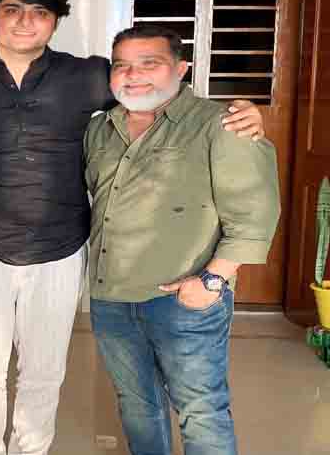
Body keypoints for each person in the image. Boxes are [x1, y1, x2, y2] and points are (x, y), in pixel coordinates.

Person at [0, 0, 265, 455]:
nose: (25, 21)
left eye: (40, 12)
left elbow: (159, 92)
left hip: (60, 251)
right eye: (12, 9)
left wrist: (243, 109)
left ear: (55, 22)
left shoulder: (88, 76)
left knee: (44, 374)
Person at [84, 24, 280, 455]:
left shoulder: (220, 123)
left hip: (184, 298)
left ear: (181, 68)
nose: (133, 75)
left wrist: (212, 280)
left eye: (149, 63)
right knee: (137, 405)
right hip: (111, 297)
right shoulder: (99, 129)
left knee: (202, 411)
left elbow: (255, 211)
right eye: (121, 65)